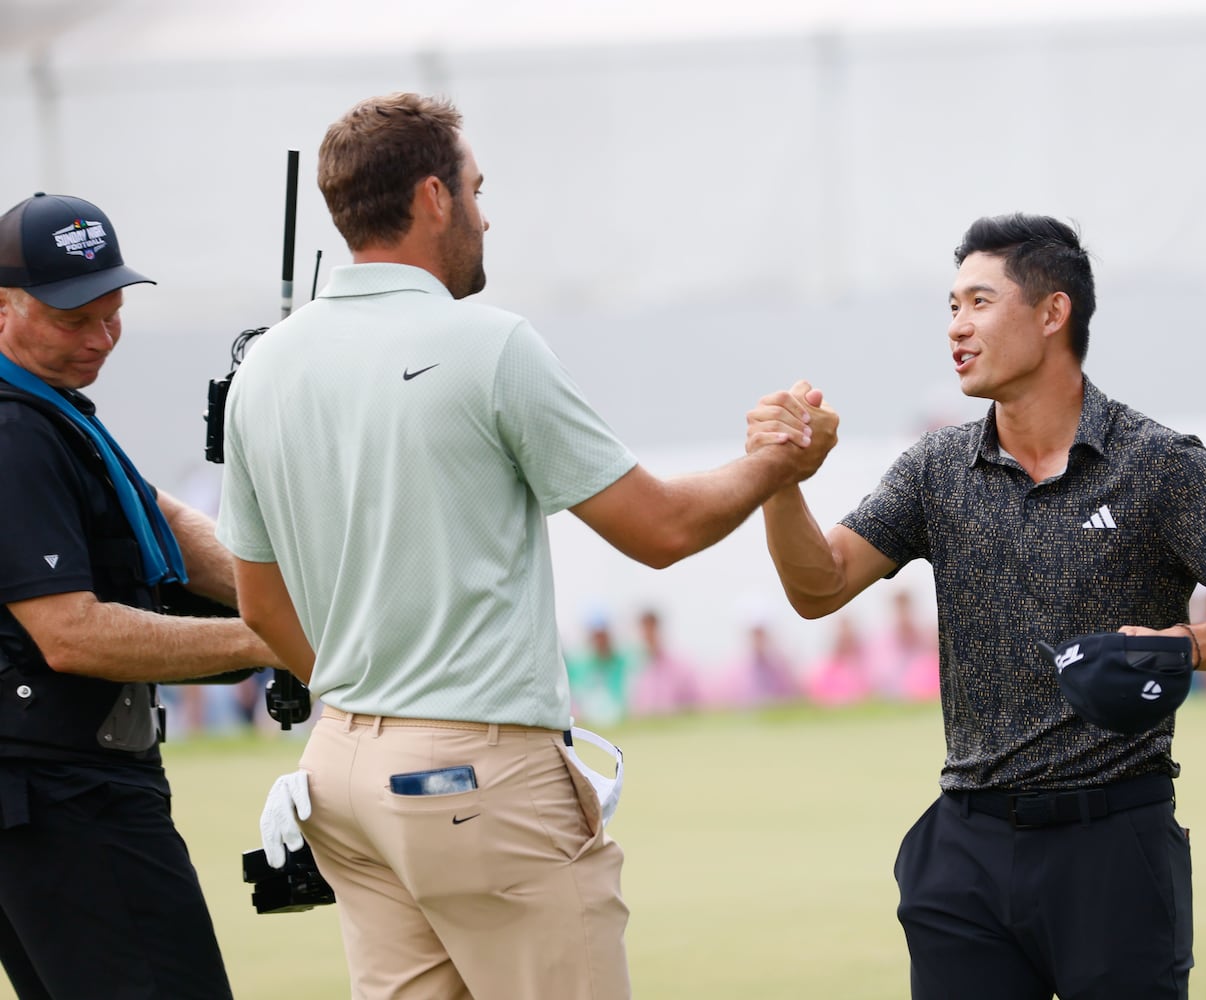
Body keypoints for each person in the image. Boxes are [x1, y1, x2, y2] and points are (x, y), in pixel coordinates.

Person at [214, 92, 837, 1000]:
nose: (485, 211)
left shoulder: (263, 366)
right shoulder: (488, 343)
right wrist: (778, 461)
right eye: (475, 187)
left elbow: (261, 606)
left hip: (340, 774)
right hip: (472, 784)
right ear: (434, 198)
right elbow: (659, 529)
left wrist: (370, 702)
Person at [748, 213, 1206, 999]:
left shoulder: (1159, 463)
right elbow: (819, 588)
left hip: (1114, 848)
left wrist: (1181, 646)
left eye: (978, 303)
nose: (956, 327)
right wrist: (779, 477)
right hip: (963, 851)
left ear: (1052, 313)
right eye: (950, 307)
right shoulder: (934, 468)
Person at [0, 192, 278, 998]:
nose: (99, 337)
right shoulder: (14, 432)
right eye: (72, 318)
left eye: (112, 314)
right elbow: (71, 634)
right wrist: (273, 634)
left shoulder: (50, 407)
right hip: (62, 798)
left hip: (54, 794)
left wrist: (285, 589)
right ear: (4, 307)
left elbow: (154, 511)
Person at [626, 608, 701, 717]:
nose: (649, 635)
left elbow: (693, 705)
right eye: (645, 630)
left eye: (652, 629)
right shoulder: (633, 668)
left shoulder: (681, 668)